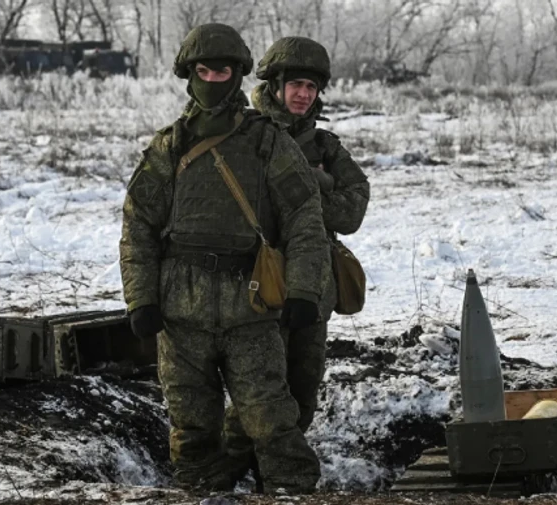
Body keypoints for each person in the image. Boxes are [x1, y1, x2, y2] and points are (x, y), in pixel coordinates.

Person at [119, 24, 328, 495]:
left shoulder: (268, 142)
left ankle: (291, 491)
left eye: (224, 70)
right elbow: (138, 226)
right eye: (204, 70)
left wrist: (302, 290)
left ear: (238, 75)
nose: (214, 79)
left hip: (251, 308)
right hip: (180, 311)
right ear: (189, 75)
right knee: (191, 429)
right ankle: (199, 491)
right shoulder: (168, 146)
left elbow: (304, 219)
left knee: (273, 423)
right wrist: (141, 300)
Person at [223, 36, 370, 489]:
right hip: (257, 283)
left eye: (311, 86)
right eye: (295, 84)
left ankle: (271, 485)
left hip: (314, 286)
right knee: (259, 396)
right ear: (276, 84)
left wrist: (308, 192)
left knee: (302, 394)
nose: (303, 94)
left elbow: (353, 210)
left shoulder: (325, 146)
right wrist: (314, 190)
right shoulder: (243, 134)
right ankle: (221, 479)